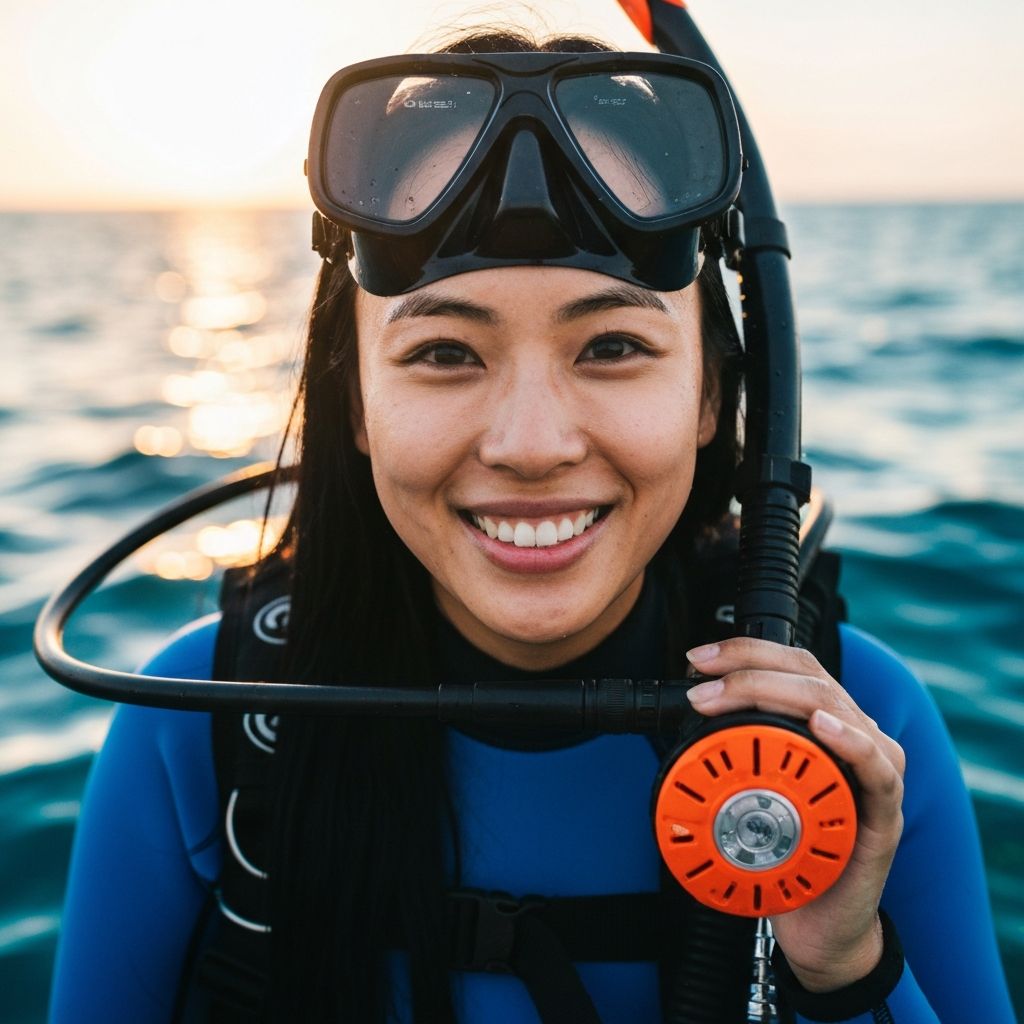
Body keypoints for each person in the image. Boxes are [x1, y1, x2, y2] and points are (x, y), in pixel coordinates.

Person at [48, 25, 1014, 1024]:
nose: (531, 443)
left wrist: (844, 966)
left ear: (708, 400)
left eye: (611, 345)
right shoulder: (195, 726)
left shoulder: (852, 731)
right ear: (356, 409)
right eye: (442, 356)